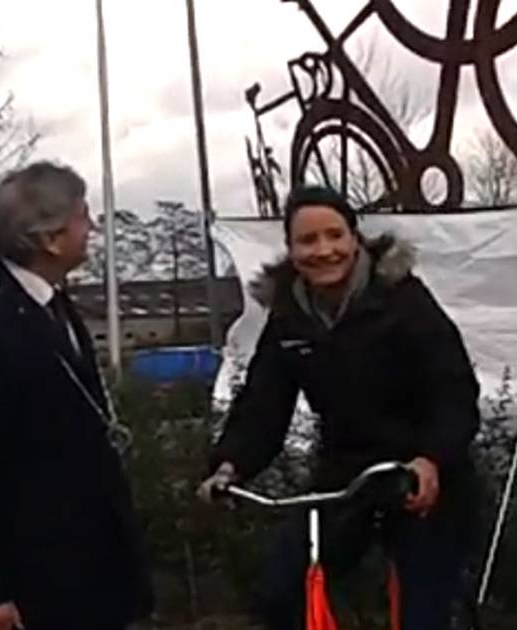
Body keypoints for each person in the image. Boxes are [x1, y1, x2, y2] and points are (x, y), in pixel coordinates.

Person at [197, 185, 481, 630]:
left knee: (422, 609)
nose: (323, 251)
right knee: (282, 591)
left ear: (355, 238)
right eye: (307, 241)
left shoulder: (402, 300)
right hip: (347, 475)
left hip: (419, 476)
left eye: (334, 236)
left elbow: (454, 390)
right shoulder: (290, 315)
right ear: (290, 250)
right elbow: (264, 401)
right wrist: (230, 465)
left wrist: (432, 458)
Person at [0, 162, 153, 630]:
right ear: (50, 238)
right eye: (82, 216)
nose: (92, 227)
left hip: (85, 568)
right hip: (31, 583)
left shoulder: (50, 302)